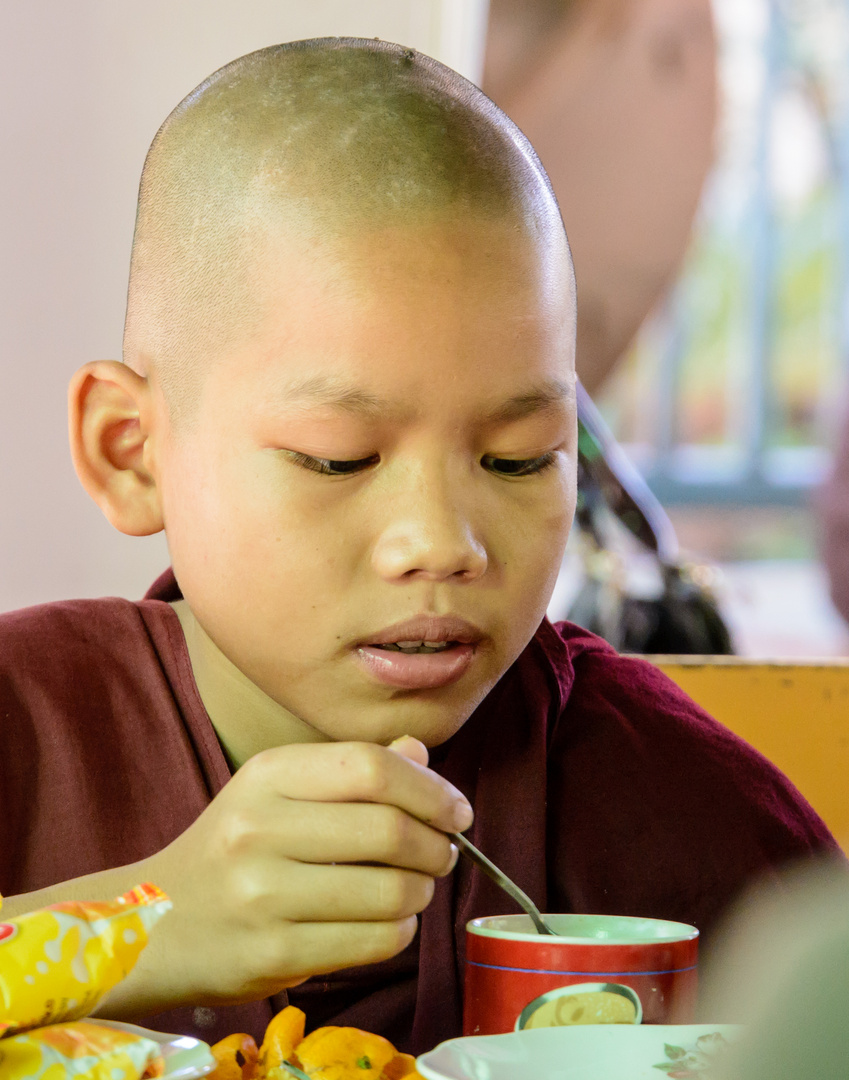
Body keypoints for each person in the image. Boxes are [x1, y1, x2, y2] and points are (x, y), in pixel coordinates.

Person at [0, 39, 839, 1055]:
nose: (443, 544)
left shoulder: (676, 806)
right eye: (340, 459)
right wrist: (135, 926)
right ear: (132, 453)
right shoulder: (29, 733)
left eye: (522, 459)